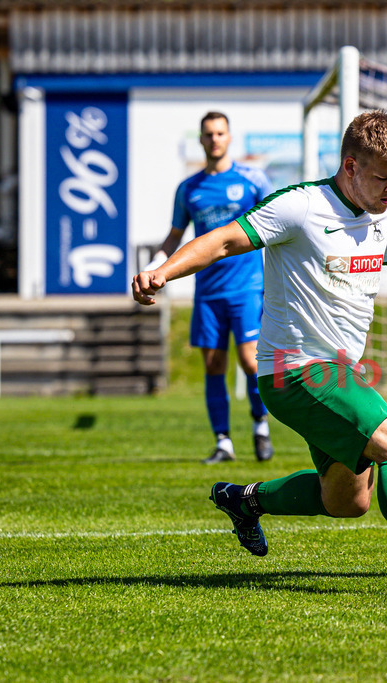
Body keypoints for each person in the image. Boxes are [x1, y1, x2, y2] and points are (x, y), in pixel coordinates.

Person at [133, 110, 387, 601]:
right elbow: (221, 241)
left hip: (335, 375)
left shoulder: (377, 220)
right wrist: (163, 271)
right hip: (297, 370)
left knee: (347, 501)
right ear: (350, 167)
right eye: (383, 178)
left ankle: (243, 500)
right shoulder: (300, 206)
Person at [147, 112, 275, 464]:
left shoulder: (253, 181)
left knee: (251, 361)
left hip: (248, 287)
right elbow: (175, 235)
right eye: (208, 134)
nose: (214, 139)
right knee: (214, 364)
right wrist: (153, 269)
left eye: (220, 133)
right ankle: (223, 442)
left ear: (229, 137)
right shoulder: (189, 188)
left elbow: (276, 225)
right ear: (201, 140)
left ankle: (260, 426)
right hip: (207, 292)